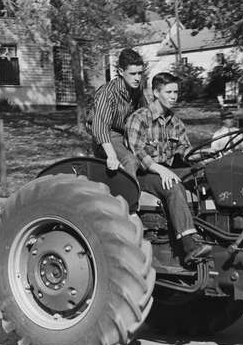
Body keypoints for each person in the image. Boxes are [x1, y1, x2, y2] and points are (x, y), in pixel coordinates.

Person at [126, 72, 212, 267]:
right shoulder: (139, 118)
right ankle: (190, 246)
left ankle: (213, 233)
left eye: (176, 92)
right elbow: (137, 153)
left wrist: (205, 156)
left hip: (166, 169)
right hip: (143, 173)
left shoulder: (175, 122)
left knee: (205, 177)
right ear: (156, 93)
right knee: (173, 185)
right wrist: (161, 170)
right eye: (169, 92)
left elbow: (185, 150)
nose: (174, 96)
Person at [89, 48, 146, 176]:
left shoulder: (137, 89)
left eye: (140, 73)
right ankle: (128, 189)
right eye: (133, 73)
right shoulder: (107, 93)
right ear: (121, 71)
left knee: (148, 156)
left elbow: (144, 113)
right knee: (130, 161)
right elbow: (100, 127)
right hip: (107, 136)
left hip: (128, 133)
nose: (137, 78)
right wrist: (111, 155)